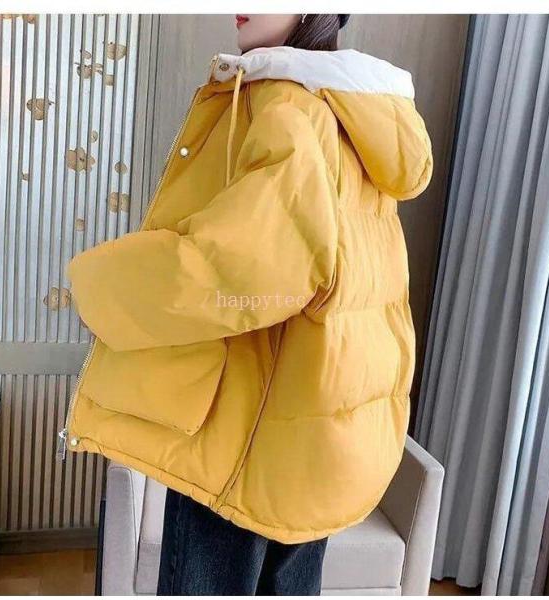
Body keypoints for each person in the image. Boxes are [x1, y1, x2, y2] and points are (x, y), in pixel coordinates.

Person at [64, 13, 433, 596]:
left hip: (247, 434)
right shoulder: (357, 110)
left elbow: (245, 268)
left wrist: (97, 287)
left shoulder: (289, 104)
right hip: (320, 437)